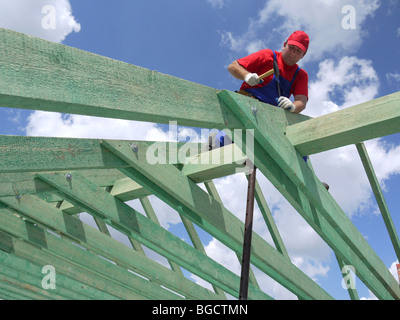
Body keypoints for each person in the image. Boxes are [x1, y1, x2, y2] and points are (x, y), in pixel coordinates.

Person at [228, 30, 309, 114]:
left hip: (271, 116)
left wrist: (293, 107)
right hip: (245, 105)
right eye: (291, 47)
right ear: (284, 45)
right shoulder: (268, 55)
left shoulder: (301, 75)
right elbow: (233, 66)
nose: (293, 53)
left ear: (303, 55)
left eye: (298, 51)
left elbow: (301, 101)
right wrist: (247, 76)